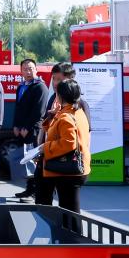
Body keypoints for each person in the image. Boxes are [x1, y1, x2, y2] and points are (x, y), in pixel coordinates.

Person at [35, 79, 91, 213]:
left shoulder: (66, 116)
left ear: (60, 96)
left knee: (69, 211)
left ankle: (70, 229)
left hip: (68, 169)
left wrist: (45, 147)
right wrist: (53, 115)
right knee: (70, 209)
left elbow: (68, 142)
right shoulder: (77, 112)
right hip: (76, 166)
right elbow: (56, 131)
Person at [12, 59, 51, 200]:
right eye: (25, 69)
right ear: (21, 71)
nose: (28, 72)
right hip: (21, 129)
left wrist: (27, 127)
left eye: (31, 68)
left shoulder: (40, 87)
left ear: (36, 70)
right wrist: (16, 125)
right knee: (26, 160)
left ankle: (35, 191)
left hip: (33, 130)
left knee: (34, 160)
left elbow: (39, 111)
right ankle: (29, 189)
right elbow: (18, 108)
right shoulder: (21, 86)